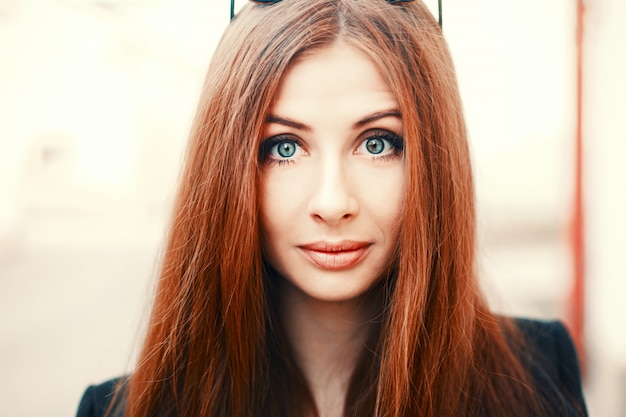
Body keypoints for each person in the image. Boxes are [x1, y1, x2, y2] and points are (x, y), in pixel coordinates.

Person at [76, 1, 588, 416]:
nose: (332, 203)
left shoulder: (539, 378)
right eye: (283, 147)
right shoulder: (119, 410)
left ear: (436, 156)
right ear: (227, 166)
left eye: (378, 143)